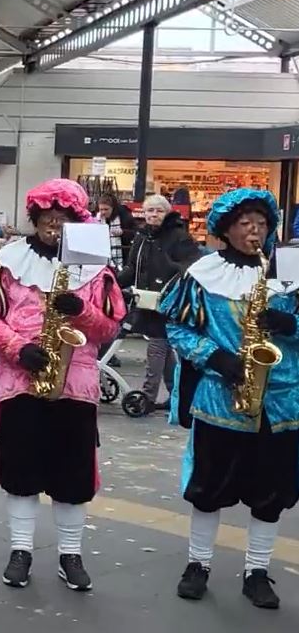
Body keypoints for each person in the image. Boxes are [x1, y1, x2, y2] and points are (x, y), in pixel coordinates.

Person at [0, 178, 125, 592]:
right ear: (35, 218)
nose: (55, 223)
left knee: (73, 473)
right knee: (20, 468)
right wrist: (17, 348)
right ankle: (20, 550)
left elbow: (109, 328)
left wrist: (82, 311)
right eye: (48, 216)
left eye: (64, 217)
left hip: (76, 382)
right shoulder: (6, 262)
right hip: (19, 379)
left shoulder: (96, 269)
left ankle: (70, 554)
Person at [161, 188, 298, 609]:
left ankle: (257, 571)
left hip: (280, 401)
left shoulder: (289, 271)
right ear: (226, 228)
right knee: (208, 487)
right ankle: (198, 564)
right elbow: (176, 327)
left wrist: (289, 323)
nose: (255, 231)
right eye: (245, 223)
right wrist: (216, 358)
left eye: (262, 223)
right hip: (221, 398)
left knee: (271, 494)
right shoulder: (202, 274)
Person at [117, 194, 201, 412]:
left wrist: (172, 273)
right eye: (150, 210)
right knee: (162, 346)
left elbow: (192, 265)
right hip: (146, 298)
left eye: (159, 211)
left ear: (167, 213)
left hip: (168, 300)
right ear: (143, 213)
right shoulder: (142, 236)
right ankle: (176, 394)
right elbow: (132, 267)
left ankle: (148, 395)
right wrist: (113, 283)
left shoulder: (178, 236)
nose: (153, 215)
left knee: (157, 344)